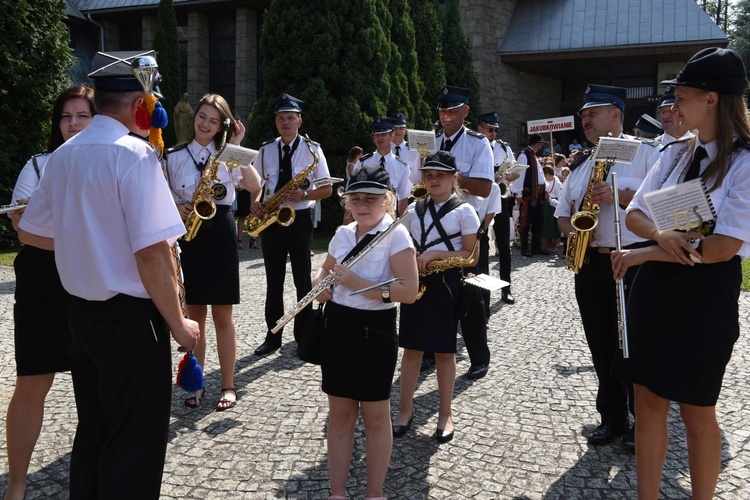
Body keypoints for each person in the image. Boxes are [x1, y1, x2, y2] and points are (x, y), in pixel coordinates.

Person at [17, 50, 200, 499]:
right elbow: (153, 254)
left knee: (94, 431)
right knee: (134, 442)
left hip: (81, 316)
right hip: (132, 322)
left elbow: (31, 233)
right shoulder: (134, 155)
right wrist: (179, 323)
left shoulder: (64, 155)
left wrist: (89, 244)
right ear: (142, 104)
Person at [611, 47, 750, 500]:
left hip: (704, 297)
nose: (674, 107)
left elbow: (721, 249)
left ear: (711, 99)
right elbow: (633, 215)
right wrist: (659, 235)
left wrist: (649, 250)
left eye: (683, 97)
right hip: (657, 291)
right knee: (648, 403)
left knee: (697, 410)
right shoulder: (674, 152)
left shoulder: (745, 162)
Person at [555, 83, 659, 452]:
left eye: (592, 113)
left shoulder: (647, 153)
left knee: (632, 346)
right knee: (600, 343)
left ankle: (641, 421)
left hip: (633, 261)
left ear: (616, 114)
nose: (585, 119)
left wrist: (623, 196)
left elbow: (662, 204)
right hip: (591, 263)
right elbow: (563, 214)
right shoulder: (582, 163)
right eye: (583, 115)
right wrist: (573, 233)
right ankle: (612, 418)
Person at [3, 85, 95, 500]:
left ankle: (92, 481)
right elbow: (22, 229)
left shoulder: (108, 162)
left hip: (92, 288)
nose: (72, 124)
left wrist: (57, 232)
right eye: (65, 116)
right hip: (44, 287)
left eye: (82, 116)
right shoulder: (38, 165)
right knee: (31, 384)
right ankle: (17, 484)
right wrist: (87, 237)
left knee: (95, 391)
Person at [313, 163, 418, 499]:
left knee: (375, 416)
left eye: (371, 198)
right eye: (355, 198)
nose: (361, 204)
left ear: (387, 200)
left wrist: (359, 285)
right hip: (338, 326)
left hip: (376, 330)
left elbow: (408, 291)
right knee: (340, 414)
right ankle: (337, 493)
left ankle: (375, 494)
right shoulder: (343, 234)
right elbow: (325, 269)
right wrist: (319, 285)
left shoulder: (397, 234)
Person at [163, 93, 255, 411]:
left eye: (213, 120)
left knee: (223, 317)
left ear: (222, 126)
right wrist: (176, 205)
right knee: (196, 315)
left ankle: (228, 385)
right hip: (189, 232)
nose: (205, 123)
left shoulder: (228, 154)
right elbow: (159, 194)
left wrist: (238, 143)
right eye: (202, 116)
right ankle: (196, 383)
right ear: (194, 118)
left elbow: (255, 187)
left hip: (220, 233)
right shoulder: (173, 156)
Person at [392, 151, 479, 444]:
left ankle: (445, 414)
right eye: (428, 175)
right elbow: (398, 243)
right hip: (415, 283)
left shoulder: (465, 211)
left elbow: (469, 255)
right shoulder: (414, 209)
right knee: (412, 350)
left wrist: (435, 254)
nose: (433, 180)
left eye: (440, 175)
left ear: (454, 178)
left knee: (444, 352)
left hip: (446, 284)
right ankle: (405, 411)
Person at [249, 93, 332, 356]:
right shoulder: (265, 150)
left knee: (302, 280)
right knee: (273, 281)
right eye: (281, 118)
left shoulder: (313, 150)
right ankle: (273, 336)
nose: (285, 122)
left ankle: (303, 336)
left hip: (299, 219)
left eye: (290, 118)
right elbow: (257, 185)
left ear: (299, 121)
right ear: (276, 122)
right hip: (272, 220)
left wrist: (305, 195)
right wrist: (256, 201)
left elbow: (328, 189)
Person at [434, 86, 494, 379]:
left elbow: (484, 188)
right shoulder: (432, 142)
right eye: (442, 111)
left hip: (467, 230)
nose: (446, 116)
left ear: (465, 112)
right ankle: (433, 350)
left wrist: (453, 178)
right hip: (434, 230)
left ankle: (479, 357)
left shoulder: (478, 143)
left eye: (452, 111)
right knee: (436, 295)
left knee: (473, 296)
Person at [477, 111, 517, 304]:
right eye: (490, 129)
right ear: (480, 128)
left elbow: (516, 172)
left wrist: (505, 177)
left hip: (500, 198)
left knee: (504, 246)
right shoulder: (476, 146)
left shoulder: (503, 148)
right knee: (481, 247)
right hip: (480, 200)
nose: (493, 133)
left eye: (495, 130)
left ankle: (506, 288)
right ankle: (482, 293)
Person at [359, 117, 412, 215]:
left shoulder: (402, 166)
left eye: (383, 134)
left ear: (392, 137)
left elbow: (403, 199)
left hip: (390, 217)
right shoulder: (363, 163)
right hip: (365, 216)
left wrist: (402, 224)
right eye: (376, 135)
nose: (379, 138)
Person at [511, 133, 548, 257]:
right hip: (528, 194)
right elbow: (519, 175)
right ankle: (525, 248)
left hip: (538, 194)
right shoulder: (524, 155)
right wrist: (519, 193)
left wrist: (545, 189)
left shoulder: (534, 156)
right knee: (525, 222)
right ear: (538, 144)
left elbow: (540, 175)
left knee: (538, 222)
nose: (540, 146)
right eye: (540, 144)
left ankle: (536, 248)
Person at [389, 112, 423, 187]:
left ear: (405, 131)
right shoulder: (385, 149)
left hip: (409, 192)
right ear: (391, 131)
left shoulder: (414, 150)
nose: (397, 132)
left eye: (401, 129)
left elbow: (417, 175)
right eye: (395, 129)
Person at [343, 146, 363, 225]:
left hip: (356, 188)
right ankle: (345, 226)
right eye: (360, 154)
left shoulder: (357, 164)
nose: (362, 156)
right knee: (348, 209)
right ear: (356, 155)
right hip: (352, 187)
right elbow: (355, 176)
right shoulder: (351, 165)